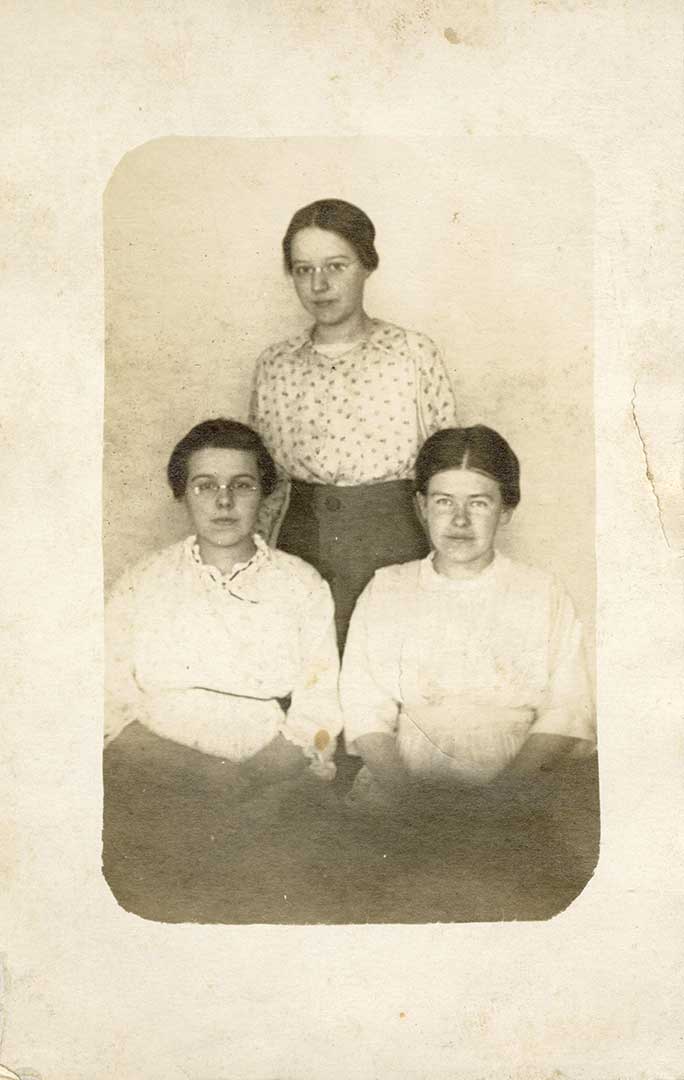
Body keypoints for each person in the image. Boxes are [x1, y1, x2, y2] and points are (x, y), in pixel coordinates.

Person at [103, 419, 343, 918]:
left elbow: (319, 714)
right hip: (155, 780)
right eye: (204, 485)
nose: (224, 501)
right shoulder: (143, 582)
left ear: (266, 497)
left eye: (242, 485)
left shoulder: (301, 585)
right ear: (182, 495)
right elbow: (107, 705)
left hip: (267, 789)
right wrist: (202, 777)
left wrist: (247, 784)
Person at [341, 424, 596, 817]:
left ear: (506, 510)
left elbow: (568, 708)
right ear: (421, 507)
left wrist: (499, 801)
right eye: (444, 502)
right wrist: (410, 801)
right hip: (405, 787)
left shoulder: (542, 593)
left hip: (517, 784)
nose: (459, 520)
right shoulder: (387, 590)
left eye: (478, 503)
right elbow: (363, 707)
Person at [249, 198, 458, 648]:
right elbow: (264, 486)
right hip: (298, 550)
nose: (319, 285)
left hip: (395, 547)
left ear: (367, 265)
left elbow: (448, 475)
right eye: (303, 270)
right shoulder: (275, 365)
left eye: (336, 266)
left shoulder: (413, 354)